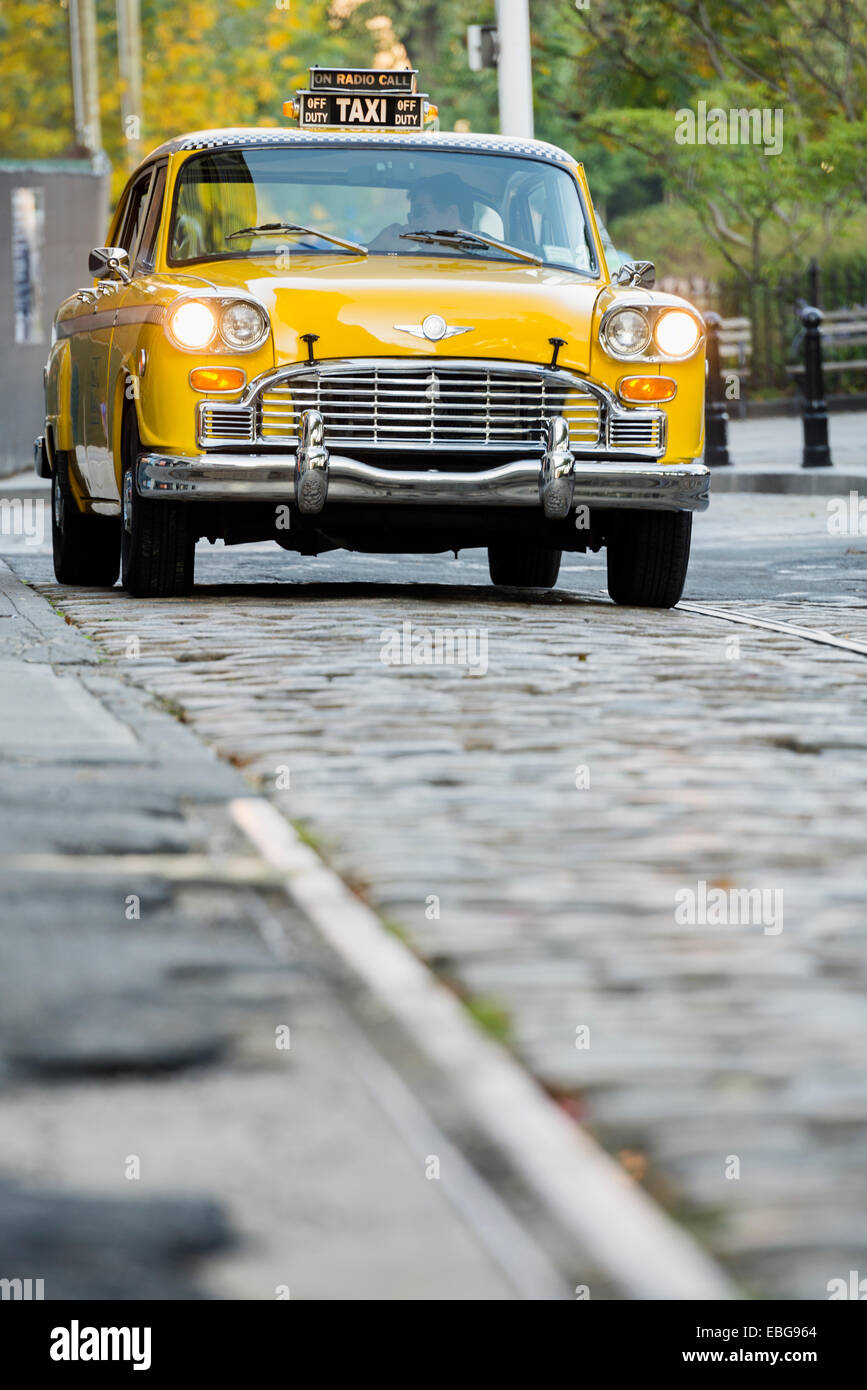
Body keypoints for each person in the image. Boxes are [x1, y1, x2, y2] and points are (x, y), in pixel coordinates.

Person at [369, 173, 473, 252]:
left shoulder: (487, 262)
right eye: (410, 217)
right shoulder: (415, 261)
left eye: (419, 213)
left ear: (451, 213)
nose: (412, 224)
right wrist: (379, 246)